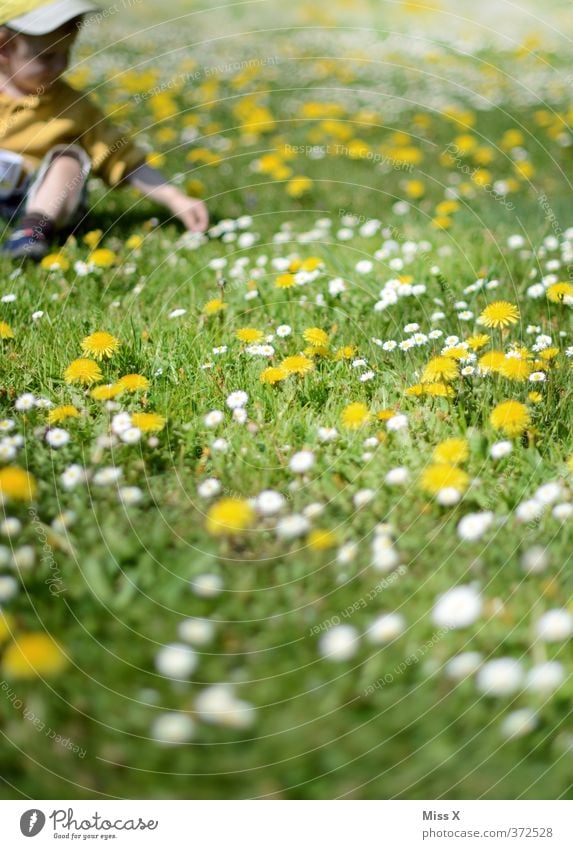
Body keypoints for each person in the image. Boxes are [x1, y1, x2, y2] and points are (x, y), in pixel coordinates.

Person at [0, 0, 209, 261]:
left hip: (42, 199)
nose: (60, 66)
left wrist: (174, 197)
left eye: (67, 52)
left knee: (69, 159)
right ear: (4, 46)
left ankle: (32, 233)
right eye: (48, 56)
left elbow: (123, 157)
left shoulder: (73, 107)